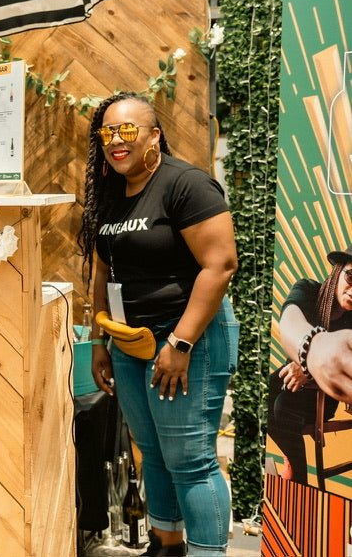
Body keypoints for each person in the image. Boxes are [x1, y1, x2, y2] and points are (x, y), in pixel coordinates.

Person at [79, 92, 239, 557]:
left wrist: (181, 343)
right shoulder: (111, 193)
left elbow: (220, 264)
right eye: (107, 132)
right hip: (131, 343)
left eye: (128, 129)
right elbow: (103, 272)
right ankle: (166, 546)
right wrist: (99, 340)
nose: (116, 140)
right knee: (153, 454)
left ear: (155, 135)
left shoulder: (185, 184)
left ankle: (207, 553)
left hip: (187, 340)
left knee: (191, 461)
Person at [268, 245, 352, 484]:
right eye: (351, 276)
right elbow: (290, 319)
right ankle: (292, 461)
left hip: (322, 398)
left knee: (283, 408)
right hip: (288, 380)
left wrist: (309, 371)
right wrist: (310, 356)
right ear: (337, 271)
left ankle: (299, 478)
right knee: (269, 392)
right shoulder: (308, 290)